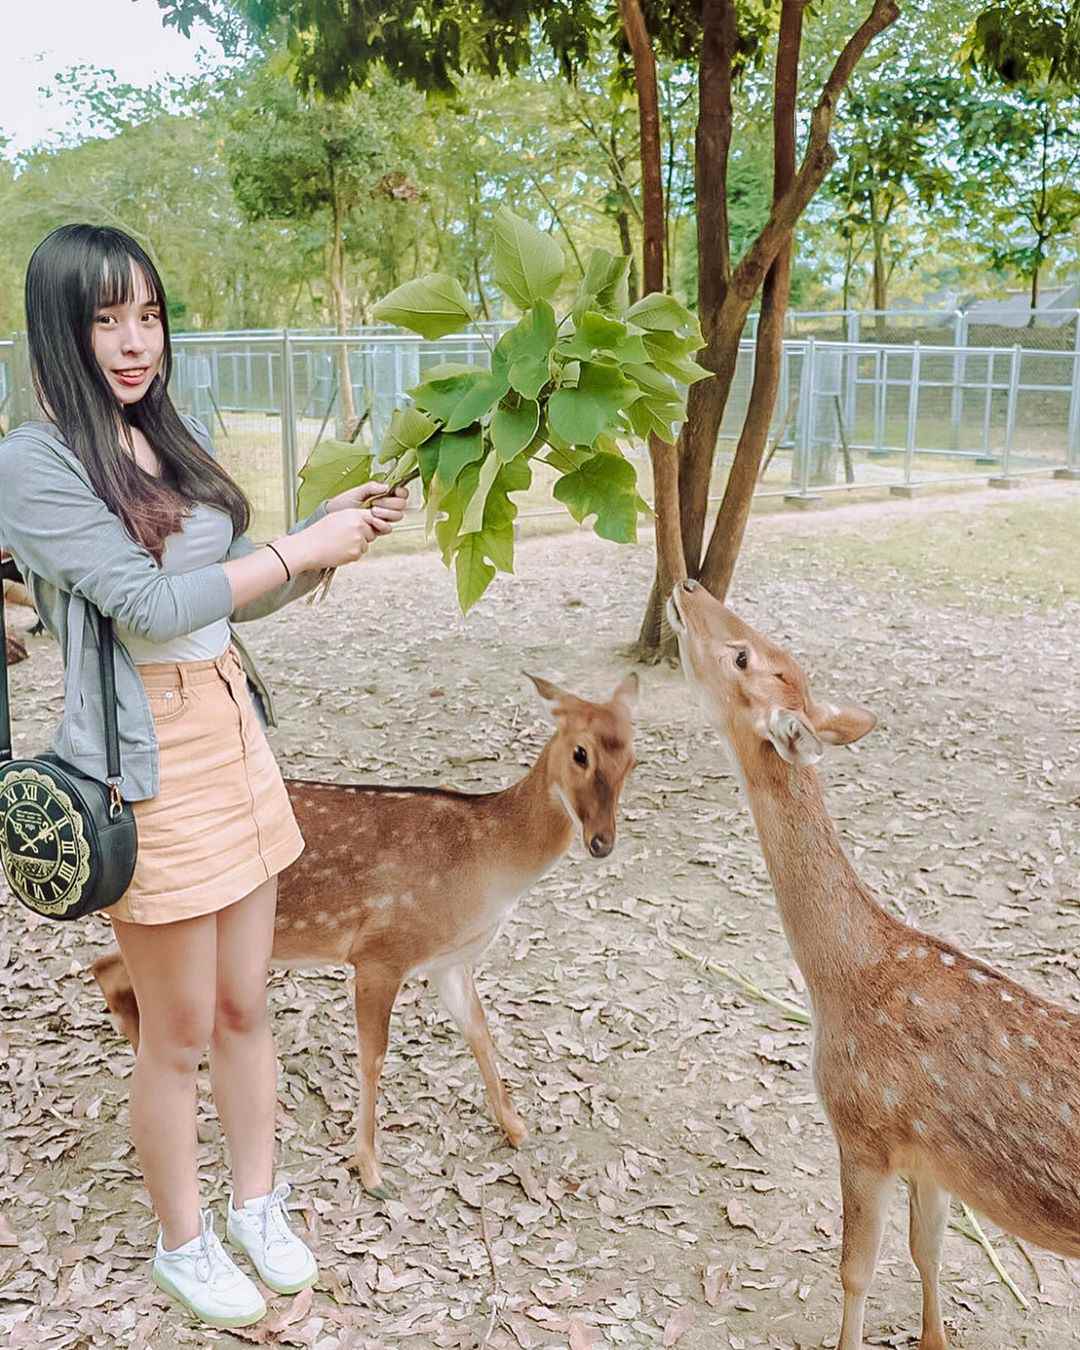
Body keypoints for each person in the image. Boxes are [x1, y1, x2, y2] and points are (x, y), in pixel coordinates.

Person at [0, 223, 407, 1330]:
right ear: (60, 327)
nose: (134, 343)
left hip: (232, 727)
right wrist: (296, 553)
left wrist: (329, 537)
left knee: (245, 1003)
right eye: (105, 317)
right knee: (175, 1030)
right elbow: (148, 607)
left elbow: (229, 596)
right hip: (145, 761)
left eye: (149, 314)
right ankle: (184, 1241)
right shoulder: (36, 462)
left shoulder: (166, 437)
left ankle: (257, 1203)